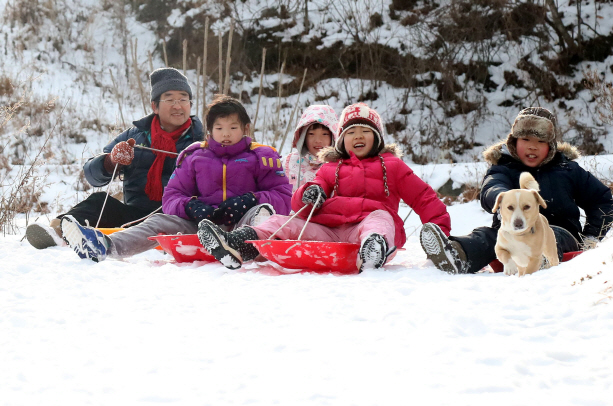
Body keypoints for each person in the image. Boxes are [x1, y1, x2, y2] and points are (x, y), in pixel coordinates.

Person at [196, 102, 452, 272]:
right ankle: (240, 243)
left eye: (365, 131)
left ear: (378, 138)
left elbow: (424, 198)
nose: (358, 137)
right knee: (281, 221)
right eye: (351, 133)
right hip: (329, 231)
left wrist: (440, 236)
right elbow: (301, 202)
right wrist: (309, 193)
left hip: (364, 229)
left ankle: (374, 249)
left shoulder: (391, 166)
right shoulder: (330, 167)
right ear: (341, 139)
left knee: (381, 217)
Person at [59, 95, 293, 262]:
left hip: (243, 224)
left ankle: (237, 247)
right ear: (210, 131)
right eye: (220, 128)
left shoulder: (262, 155)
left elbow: (283, 197)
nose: (226, 134)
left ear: (245, 129)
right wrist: (191, 206)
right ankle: (105, 246)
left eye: (233, 128)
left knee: (263, 212)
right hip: (204, 226)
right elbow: (171, 196)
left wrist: (250, 200)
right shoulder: (194, 156)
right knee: (159, 221)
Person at [420, 107, 613, 274]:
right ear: (514, 142)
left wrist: (590, 237)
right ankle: (456, 253)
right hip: (510, 231)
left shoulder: (568, 170)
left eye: (541, 141)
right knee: (487, 238)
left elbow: (601, 199)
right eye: (526, 139)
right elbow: (492, 186)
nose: (532, 146)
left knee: (549, 234)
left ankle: (542, 259)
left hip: (560, 232)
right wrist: (500, 198)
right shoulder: (504, 168)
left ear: (551, 145)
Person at [26, 67, 205, 249]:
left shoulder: (204, 140)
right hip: (136, 216)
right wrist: (111, 162)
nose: (178, 106)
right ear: (154, 106)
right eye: (170, 99)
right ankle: (57, 232)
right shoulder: (135, 137)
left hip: (180, 218)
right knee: (99, 201)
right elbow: (92, 175)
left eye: (183, 99)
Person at [283, 105, 338, 191]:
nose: (318, 140)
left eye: (325, 134)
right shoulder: (287, 164)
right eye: (311, 134)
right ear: (303, 137)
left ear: (333, 137)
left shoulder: (339, 166)